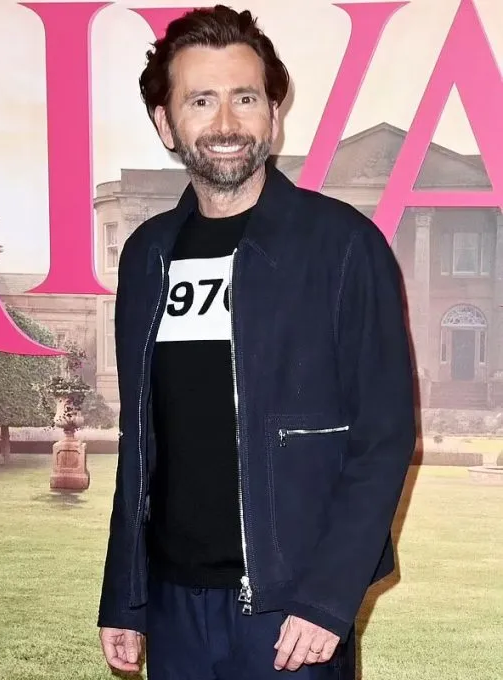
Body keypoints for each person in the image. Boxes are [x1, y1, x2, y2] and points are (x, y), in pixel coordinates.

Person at [97, 5, 416, 679]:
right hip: (173, 605)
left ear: (273, 114)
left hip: (292, 610)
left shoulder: (344, 246)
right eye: (200, 100)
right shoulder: (147, 254)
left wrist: (327, 598)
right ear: (166, 124)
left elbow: (383, 437)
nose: (225, 123)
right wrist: (124, 594)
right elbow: (140, 437)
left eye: (245, 98)